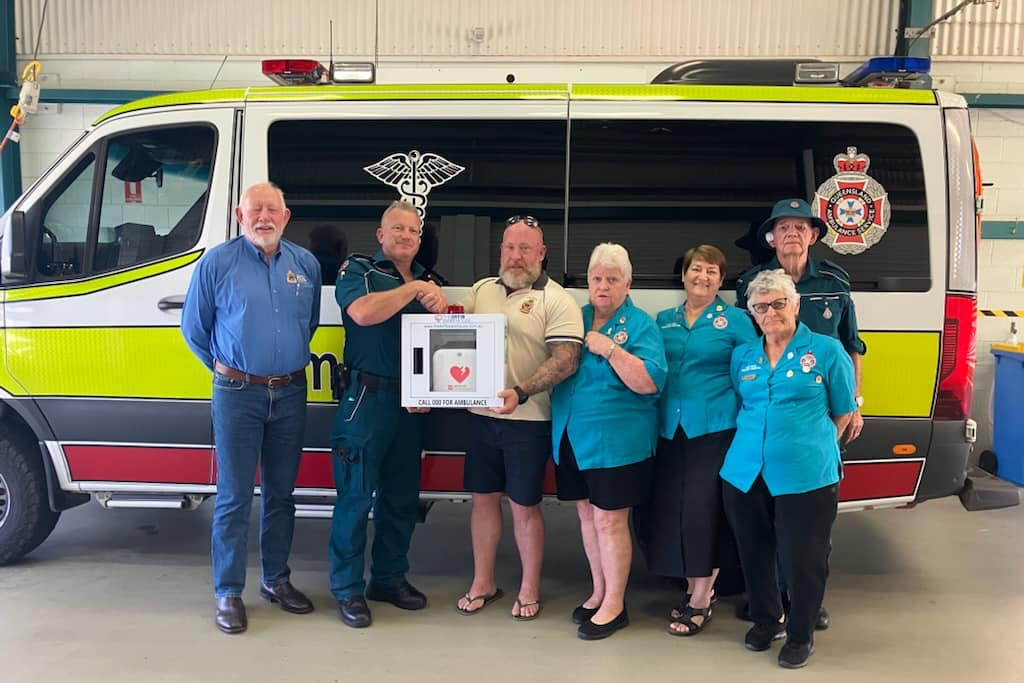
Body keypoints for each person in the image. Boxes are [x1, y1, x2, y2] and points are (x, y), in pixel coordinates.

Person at [182, 182, 321, 635]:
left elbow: (310, 322)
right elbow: (194, 330)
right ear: (240, 217)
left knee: (282, 494)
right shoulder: (217, 262)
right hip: (236, 393)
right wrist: (230, 370)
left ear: (286, 215)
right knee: (234, 496)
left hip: (290, 393)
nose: (263, 216)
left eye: (272, 209)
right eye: (254, 209)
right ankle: (228, 591)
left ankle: (276, 581)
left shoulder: (306, 265)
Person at [734, 197, 868, 629]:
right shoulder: (752, 283)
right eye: (783, 228)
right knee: (767, 512)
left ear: (812, 235)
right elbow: (748, 351)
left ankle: (807, 598)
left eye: (801, 227)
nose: (792, 234)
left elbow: (851, 346)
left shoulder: (834, 280)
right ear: (770, 239)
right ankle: (771, 600)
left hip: (819, 418)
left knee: (811, 517)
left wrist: (853, 406)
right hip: (770, 426)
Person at [721, 269, 856, 669]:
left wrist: (810, 445)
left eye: (779, 303)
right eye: (761, 306)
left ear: (795, 305)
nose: (771, 312)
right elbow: (743, 402)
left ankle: (800, 634)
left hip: (807, 474)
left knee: (803, 557)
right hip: (744, 472)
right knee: (754, 551)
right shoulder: (743, 356)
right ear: (753, 314)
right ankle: (766, 620)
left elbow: (844, 411)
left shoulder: (827, 351)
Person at [454, 215, 583, 621]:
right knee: (482, 500)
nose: (516, 256)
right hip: (480, 416)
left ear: (541, 253)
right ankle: (483, 582)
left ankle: (529, 588)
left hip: (529, 420)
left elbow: (566, 360)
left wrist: (521, 391)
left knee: (525, 506)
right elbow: (455, 336)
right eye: (510, 247)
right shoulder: (481, 290)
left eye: (526, 248)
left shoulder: (556, 299)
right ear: (501, 250)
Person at [328, 200, 448, 628]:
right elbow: (362, 312)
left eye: (413, 231)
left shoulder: (430, 282)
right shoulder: (359, 270)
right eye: (397, 229)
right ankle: (347, 589)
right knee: (356, 497)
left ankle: (388, 579)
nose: (405, 237)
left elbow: (442, 343)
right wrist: (413, 291)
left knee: (401, 500)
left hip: (412, 405)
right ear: (381, 235)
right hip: (367, 399)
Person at [634, 245, 757, 637]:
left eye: (711, 272)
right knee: (671, 511)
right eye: (695, 269)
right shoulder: (662, 320)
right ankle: (690, 586)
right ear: (683, 275)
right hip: (669, 429)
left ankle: (702, 596)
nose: (702, 277)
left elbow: (750, 374)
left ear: (721, 281)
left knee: (705, 511)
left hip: (716, 428)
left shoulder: (737, 320)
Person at [551, 243, 667, 640]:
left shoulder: (641, 325)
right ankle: (599, 591)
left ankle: (615, 604)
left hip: (618, 442)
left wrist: (612, 350)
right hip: (571, 437)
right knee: (586, 515)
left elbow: (650, 382)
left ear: (627, 283)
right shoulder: (574, 317)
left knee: (609, 519)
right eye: (597, 278)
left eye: (612, 279)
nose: (603, 286)